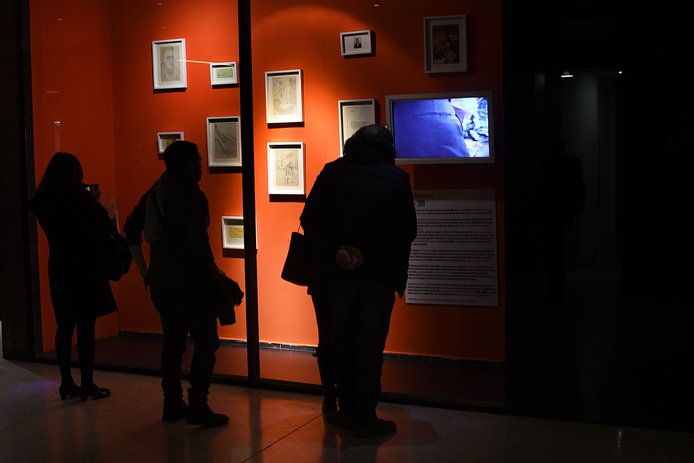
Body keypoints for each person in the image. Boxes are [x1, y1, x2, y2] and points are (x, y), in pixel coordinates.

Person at [300, 125, 417, 438]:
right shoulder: (397, 179)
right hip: (377, 276)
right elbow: (405, 231)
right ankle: (365, 415)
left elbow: (309, 219)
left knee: (341, 343)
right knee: (370, 346)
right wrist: (367, 255)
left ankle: (346, 410)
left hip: (336, 275)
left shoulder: (332, 172)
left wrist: (337, 251)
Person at [123, 141, 228, 427]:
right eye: (198, 160)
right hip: (190, 281)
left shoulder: (155, 191)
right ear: (188, 164)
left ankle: (172, 403)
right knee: (206, 341)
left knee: (172, 343)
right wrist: (215, 272)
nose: (201, 165)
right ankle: (198, 404)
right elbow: (199, 242)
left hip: (161, 281)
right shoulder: (193, 195)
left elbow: (130, 227)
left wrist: (144, 269)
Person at [29, 152, 116, 401]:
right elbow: (101, 224)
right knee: (86, 326)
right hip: (85, 267)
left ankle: (66, 381)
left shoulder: (43, 201)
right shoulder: (81, 199)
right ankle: (87, 382)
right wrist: (96, 201)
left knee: (65, 324)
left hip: (59, 265)